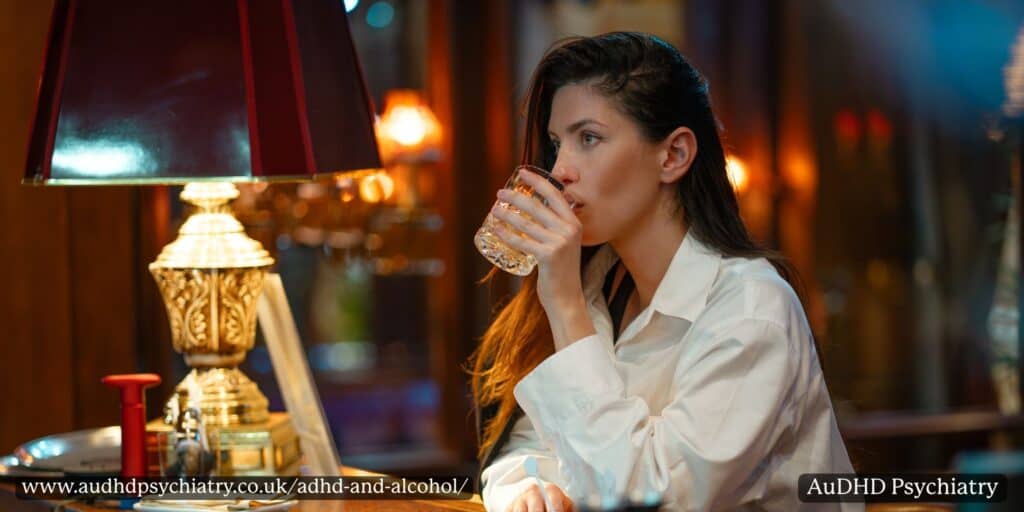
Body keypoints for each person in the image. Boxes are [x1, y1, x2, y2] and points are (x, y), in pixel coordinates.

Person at [469, 32, 859, 511]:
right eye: (556, 144)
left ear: (673, 155)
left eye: (588, 138)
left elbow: (652, 498)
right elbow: (526, 444)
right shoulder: (597, 283)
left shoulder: (750, 311)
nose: (561, 169)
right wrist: (527, 489)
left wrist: (565, 304)